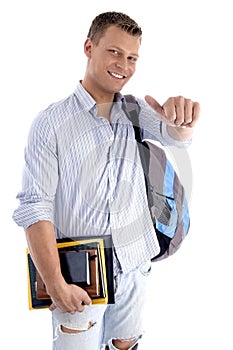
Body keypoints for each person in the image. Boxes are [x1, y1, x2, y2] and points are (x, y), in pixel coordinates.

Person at [13, 11, 200, 350]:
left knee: (124, 346)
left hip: (134, 264)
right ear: (89, 47)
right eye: (115, 52)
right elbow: (34, 207)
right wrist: (55, 284)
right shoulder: (50, 123)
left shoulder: (134, 111)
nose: (124, 65)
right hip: (78, 274)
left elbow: (175, 135)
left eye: (132, 58)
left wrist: (181, 118)